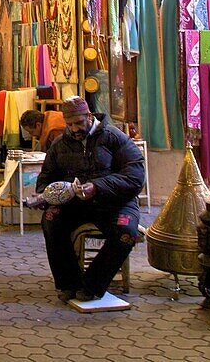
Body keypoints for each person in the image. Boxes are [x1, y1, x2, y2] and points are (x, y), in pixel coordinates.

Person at [32, 96, 146, 303]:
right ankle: (68, 283)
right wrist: (48, 194)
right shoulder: (59, 144)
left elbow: (135, 176)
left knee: (126, 232)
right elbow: (46, 178)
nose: (74, 129)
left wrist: (98, 187)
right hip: (75, 203)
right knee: (51, 219)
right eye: (69, 125)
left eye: (79, 123)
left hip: (115, 203)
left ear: (90, 117)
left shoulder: (115, 138)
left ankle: (93, 284)